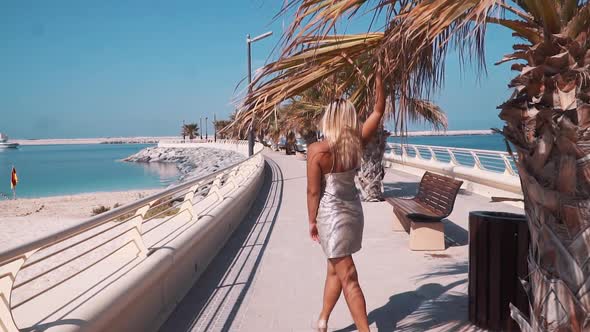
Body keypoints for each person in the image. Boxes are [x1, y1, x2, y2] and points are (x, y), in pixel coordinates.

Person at [306, 68, 386, 332]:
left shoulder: (317, 151)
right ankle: (323, 319)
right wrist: (378, 78)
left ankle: (352, 327)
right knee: (341, 271)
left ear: (329, 119)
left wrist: (312, 221)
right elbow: (377, 110)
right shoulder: (356, 142)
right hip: (352, 210)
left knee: (343, 273)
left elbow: (313, 192)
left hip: (332, 214)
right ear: (350, 118)